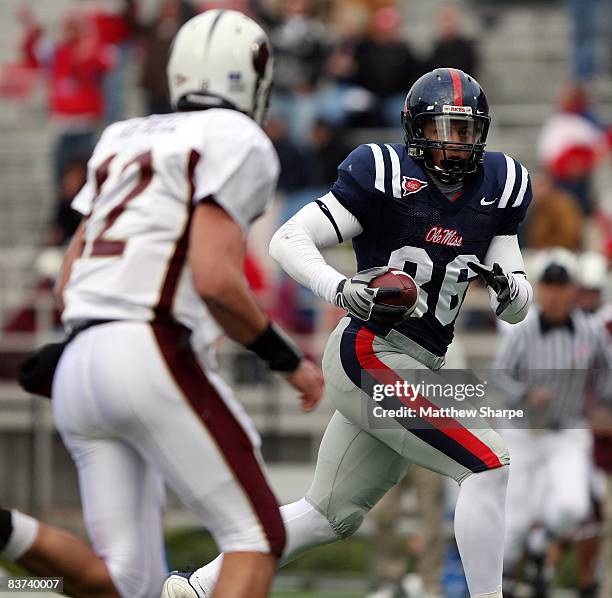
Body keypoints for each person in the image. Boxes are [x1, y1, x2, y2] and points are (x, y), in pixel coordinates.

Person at [172, 68, 535, 598]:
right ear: (415, 129)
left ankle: (196, 588)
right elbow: (288, 238)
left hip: (417, 362)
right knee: (487, 462)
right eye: (442, 129)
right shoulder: (383, 171)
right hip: (369, 349)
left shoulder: (499, 186)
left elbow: (518, 307)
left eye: (465, 131)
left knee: (328, 513)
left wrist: (508, 289)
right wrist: (340, 287)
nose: (454, 144)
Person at [0, 10, 324, 598]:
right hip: (150, 345)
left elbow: (71, 274)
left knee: (125, 582)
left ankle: (7, 531)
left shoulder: (122, 135)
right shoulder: (235, 138)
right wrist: (288, 361)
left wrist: (88, 345)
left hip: (79, 360)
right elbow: (216, 279)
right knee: (257, 534)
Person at [492, 249, 612, 597]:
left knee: (572, 507)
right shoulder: (522, 330)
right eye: (549, 286)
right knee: (513, 521)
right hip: (523, 432)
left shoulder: (590, 331)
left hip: (567, 431)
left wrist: (603, 407)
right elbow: (499, 378)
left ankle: (539, 546)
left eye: (562, 286)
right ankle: (504, 580)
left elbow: (605, 376)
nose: (555, 294)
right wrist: (526, 393)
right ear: (540, 290)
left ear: (572, 289)